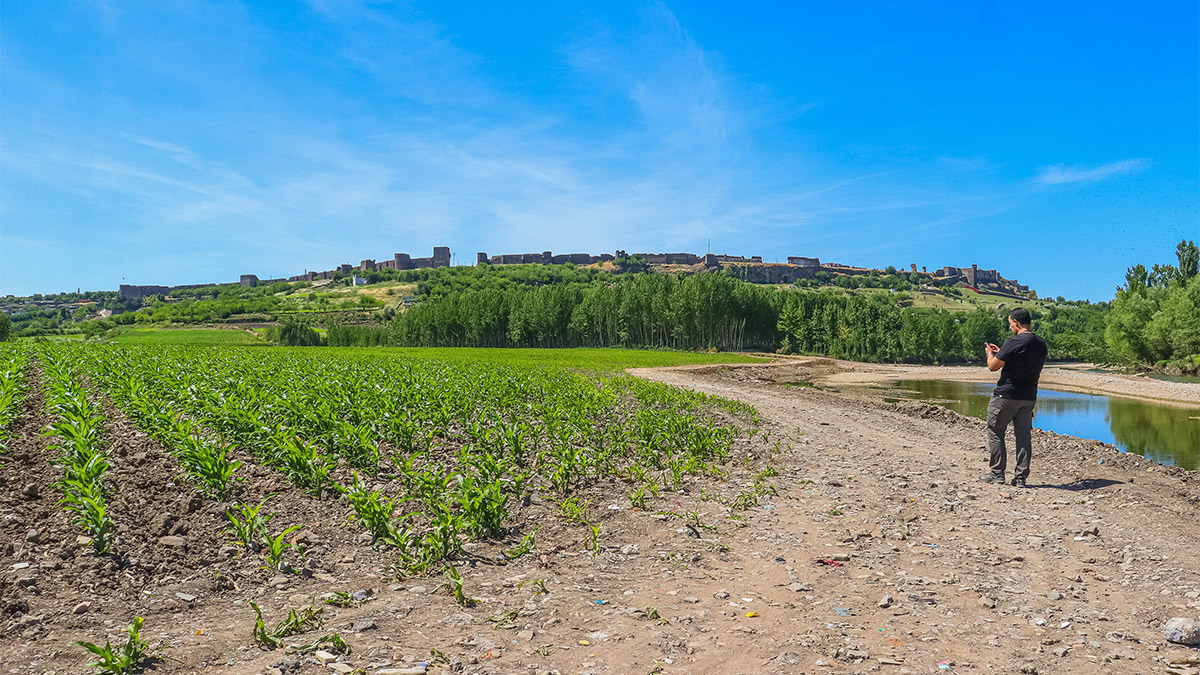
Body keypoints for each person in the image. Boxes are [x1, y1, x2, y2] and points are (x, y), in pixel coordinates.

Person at [979, 307, 1047, 488]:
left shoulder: (1014, 341)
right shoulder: (1040, 344)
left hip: (1006, 395)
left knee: (995, 431)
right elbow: (1021, 359)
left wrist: (990, 354)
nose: (1010, 327)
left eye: (1010, 324)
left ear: (1016, 322)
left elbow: (993, 366)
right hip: (1029, 397)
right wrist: (1003, 352)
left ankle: (997, 473)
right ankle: (1021, 478)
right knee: (1023, 436)